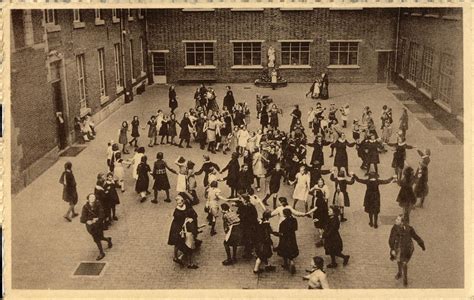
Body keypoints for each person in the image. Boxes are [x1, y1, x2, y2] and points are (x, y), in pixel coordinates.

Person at [389, 214, 425, 286]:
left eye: (398, 220)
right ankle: (399, 272)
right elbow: (391, 239)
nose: (396, 220)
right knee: (399, 261)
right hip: (398, 247)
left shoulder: (409, 229)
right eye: (396, 219)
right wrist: (392, 249)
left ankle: (405, 279)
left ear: (402, 222)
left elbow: (416, 237)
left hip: (407, 249)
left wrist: (422, 244)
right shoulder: (394, 228)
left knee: (404, 263)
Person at [80, 193, 112, 261]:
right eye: (90, 197)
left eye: (93, 197)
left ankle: (102, 252)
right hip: (91, 227)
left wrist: (96, 220)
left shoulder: (98, 205)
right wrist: (88, 220)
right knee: (98, 238)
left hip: (98, 225)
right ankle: (107, 240)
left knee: (97, 238)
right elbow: (82, 218)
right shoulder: (85, 207)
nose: (92, 199)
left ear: (95, 199)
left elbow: (102, 215)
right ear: (88, 199)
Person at [274, 208, 299, 274]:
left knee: (284, 250)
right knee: (291, 249)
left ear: (284, 215)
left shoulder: (283, 223)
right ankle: (291, 261)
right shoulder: (294, 220)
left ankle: (285, 264)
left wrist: (275, 233)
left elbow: (281, 232)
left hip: (285, 238)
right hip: (292, 237)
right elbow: (295, 228)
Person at [168, 195, 188, 266]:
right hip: (177, 227)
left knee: (182, 239)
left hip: (182, 225)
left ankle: (183, 250)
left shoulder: (184, 206)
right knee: (177, 241)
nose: (180, 204)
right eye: (178, 203)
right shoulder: (177, 211)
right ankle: (175, 256)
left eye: (181, 202)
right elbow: (179, 219)